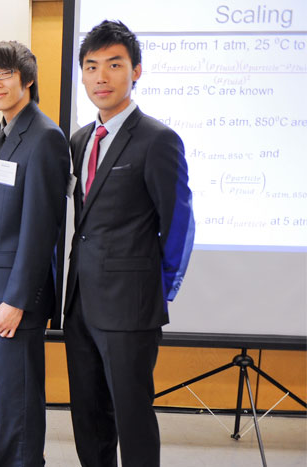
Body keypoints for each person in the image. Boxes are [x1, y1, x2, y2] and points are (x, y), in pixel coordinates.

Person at [64, 20, 195, 467]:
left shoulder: (157, 140)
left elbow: (179, 223)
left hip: (130, 308)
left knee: (132, 417)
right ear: (82, 75)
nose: (101, 77)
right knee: (87, 414)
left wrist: (159, 290)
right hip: (80, 303)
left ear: (135, 71)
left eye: (114, 65)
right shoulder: (80, 140)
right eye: (91, 66)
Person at [0, 41, 69, 466]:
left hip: (14, 301)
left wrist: (15, 300)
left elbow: (40, 229)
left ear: (27, 79)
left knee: (20, 407)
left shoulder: (45, 137)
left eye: (4, 75)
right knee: (3, 406)